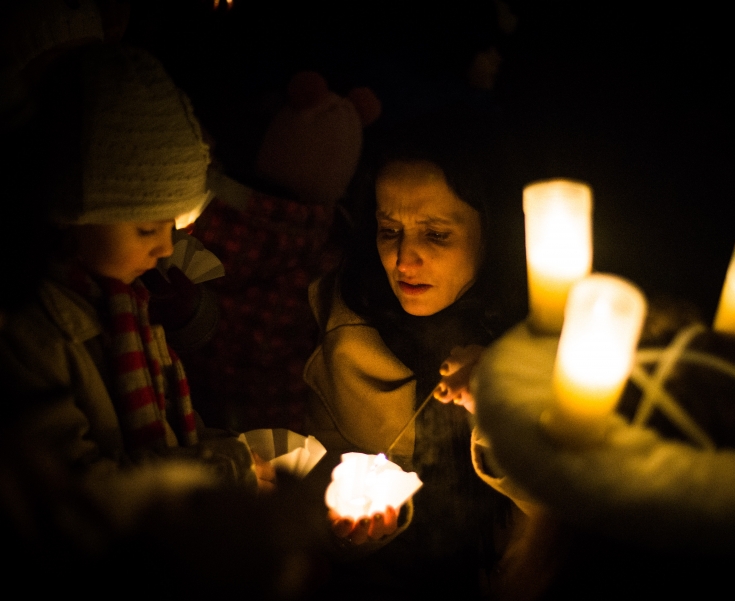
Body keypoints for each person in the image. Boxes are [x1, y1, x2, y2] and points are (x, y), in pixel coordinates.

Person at [0, 43, 268, 492]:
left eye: (172, 226)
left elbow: (170, 430)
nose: (165, 249)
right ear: (71, 215)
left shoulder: (125, 306)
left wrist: (232, 453)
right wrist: (221, 469)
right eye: (146, 229)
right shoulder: (32, 335)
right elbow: (72, 491)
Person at [301, 110, 532, 598]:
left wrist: (502, 412)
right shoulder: (348, 332)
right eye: (389, 231)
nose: (404, 260)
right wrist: (350, 532)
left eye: (436, 234)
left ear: (493, 232)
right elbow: (315, 499)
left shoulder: (543, 339)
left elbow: (576, 516)